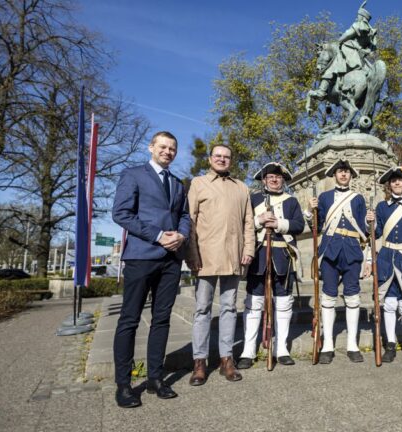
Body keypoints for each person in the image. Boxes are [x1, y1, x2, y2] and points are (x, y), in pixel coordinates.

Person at [111, 131, 191, 408]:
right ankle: (123, 385)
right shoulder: (133, 174)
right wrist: (158, 235)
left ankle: (156, 378)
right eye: (163, 147)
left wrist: (181, 235)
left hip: (171, 259)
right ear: (151, 148)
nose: (167, 151)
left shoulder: (178, 184)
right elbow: (121, 213)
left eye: (172, 148)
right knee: (129, 319)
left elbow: (183, 215)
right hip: (142, 256)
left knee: (162, 319)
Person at [185, 144, 254, 386]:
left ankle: (227, 360)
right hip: (205, 257)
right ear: (210, 159)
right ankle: (200, 362)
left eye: (226, 156)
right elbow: (189, 220)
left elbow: (249, 222)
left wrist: (248, 250)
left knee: (229, 309)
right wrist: (191, 254)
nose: (222, 159)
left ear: (231, 160)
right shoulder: (198, 183)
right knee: (202, 309)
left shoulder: (241, 187)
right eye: (218, 156)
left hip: (233, 255)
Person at [237, 163, 305, 369]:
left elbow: (299, 225)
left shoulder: (291, 201)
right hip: (258, 256)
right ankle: (248, 350)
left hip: (282, 255)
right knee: (254, 302)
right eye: (270, 177)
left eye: (278, 177)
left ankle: (281, 348)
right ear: (264, 180)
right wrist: (259, 220)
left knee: (283, 303)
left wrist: (278, 224)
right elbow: (243, 223)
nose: (274, 180)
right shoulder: (253, 199)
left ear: (283, 180)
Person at [308, 159, 368, 364]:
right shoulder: (324, 197)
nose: (343, 175)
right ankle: (327, 345)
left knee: (352, 295)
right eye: (340, 172)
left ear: (351, 176)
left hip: (351, 250)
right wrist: (311, 210)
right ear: (334, 175)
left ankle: (352, 344)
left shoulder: (358, 198)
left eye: (346, 172)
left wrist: (371, 221)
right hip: (330, 249)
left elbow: (364, 231)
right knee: (328, 296)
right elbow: (316, 224)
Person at [365, 166, 402, 364]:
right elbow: (377, 234)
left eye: (400, 180)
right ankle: (390, 345)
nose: (397, 183)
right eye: (393, 181)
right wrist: (370, 223)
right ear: (389, 185)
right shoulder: (382, 207)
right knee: (389, 304)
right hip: (386, 257)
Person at [337, 0, 378, 73]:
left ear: (362, 17)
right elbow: (372, 47)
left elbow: (347, 34)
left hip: (352, 50)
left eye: (358, 16)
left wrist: (337, 42)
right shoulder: (370, 31)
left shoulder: (358, 25)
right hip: (362, 54)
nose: (357, 17)